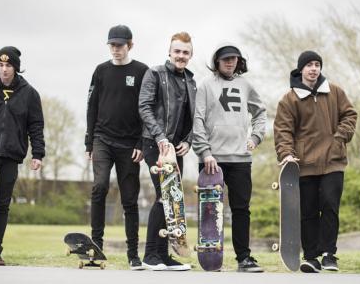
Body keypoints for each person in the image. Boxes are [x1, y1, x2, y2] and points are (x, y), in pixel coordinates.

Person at [274, 50, 357, 273]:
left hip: (333, 160)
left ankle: (330, 254)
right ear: (301, 69)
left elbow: (350, 115)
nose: (313, 68)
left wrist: (340, 137)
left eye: (317, 64)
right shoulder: (289, 99)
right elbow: (283, 131)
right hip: (304, 163)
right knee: (308, 211)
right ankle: (311, 256)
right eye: (309, 65)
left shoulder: (335, 92)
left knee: (330, 205)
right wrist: (286, 155)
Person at [192, 44, 267, 272]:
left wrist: (255, 137)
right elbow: (198, 120)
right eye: (225, 59)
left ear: (239, 61)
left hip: (240, 159)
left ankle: (244, 258)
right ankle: (211, 259)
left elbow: (260, 111)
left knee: (241, 209)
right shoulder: (206, 85)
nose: (230, 62)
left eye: (234, 59)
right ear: (217, 61)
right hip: (212, 160)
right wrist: (205, 152)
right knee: (211, 210)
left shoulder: (245, 85)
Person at [0, 46, 45, 265]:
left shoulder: (29, 93)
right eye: (0, 65)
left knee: (2, 206)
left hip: (11, 157)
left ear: (16, 68)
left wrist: (38, 154)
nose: (4, 70)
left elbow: (36, 126)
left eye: (8, 65)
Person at [85, 25, 148, 270]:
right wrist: (89, 141)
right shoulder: (100, 71)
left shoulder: (142, 71)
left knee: (130, 200)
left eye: (120, 45)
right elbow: (91, 107)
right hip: (102, 139)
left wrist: (142, 142)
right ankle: (95, 247)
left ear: (130, 45)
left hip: (130, 144)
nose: (116, 49)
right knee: (99, 187)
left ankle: (133, 254)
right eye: (112, 45)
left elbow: (147, 109)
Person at [138, 32, 196, 271]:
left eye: (185, 52)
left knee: (172, 201)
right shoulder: (155, 74)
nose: (181, 56)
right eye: (177, 51)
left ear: (190, 55)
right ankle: (151, 254)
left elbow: (192, 117)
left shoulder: (191, 81)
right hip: (155, 144)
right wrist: (160, 137)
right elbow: (144, 106)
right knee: (164, 197)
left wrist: (188, 140)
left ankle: (163, 255)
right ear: (169, 52)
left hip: (176, 150)